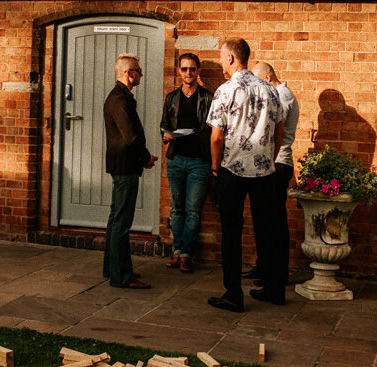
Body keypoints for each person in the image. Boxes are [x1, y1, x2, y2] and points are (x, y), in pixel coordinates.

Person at [206, 38, 284, 312]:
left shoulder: (225, 91)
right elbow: (280, 131)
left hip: (232, 170)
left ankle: (233, 294)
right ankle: (275, 289)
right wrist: (269, 159)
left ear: (230, 58)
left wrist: (215, 168)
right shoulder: (269, 89)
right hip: (264, 171)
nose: (220, 63)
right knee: (268, 230)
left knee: (231, 231)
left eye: (221, 57)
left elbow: (216, 136)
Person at [102, 52, 157, 289]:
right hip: (125, 167)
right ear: (128, 73)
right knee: (121, 222)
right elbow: (130, 137)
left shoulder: (119, 97)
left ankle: (112, 270)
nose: (141, 74)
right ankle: (121, 276)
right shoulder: (120, 100)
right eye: (138, 70)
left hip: (123, 166)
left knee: (116, 220)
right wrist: (145, 158)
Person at [244, 62, 300, 290]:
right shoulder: (275, 93)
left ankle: (278, 273)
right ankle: (264, 265)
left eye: (260, 82)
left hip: (278, 163)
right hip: (267, 162)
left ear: (268, 76)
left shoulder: (283, 95)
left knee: (275, 220)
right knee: (262, 218)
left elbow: (273, 129)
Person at [160, 52, 213, 273]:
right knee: (177, 209)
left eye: (192, 69)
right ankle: (176, 250)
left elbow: (214, 130)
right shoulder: (172, 98)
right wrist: (165, 135)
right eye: (184, 69)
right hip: (176, 160)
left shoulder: (208, 98)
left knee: (192, 210)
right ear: (179, 71)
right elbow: (164, 124)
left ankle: (186, 254)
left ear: (198, 71)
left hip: (199, 162)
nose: (188, 73)